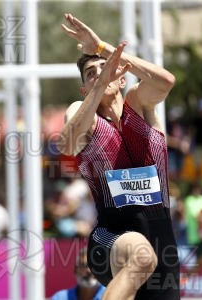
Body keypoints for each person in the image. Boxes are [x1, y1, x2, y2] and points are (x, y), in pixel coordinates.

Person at [57, 14, 180, 299]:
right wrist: (100, 84)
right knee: (141, 256)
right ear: (84, 89)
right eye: (91, 74)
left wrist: (101, 47)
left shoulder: (139, 104)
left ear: (121, 76)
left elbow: (166, 81)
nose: (100, 74)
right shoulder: (82, 112)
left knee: (148, 258)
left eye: (105, 69)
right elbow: (67, 143)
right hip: (110, 239)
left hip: (163, 243)